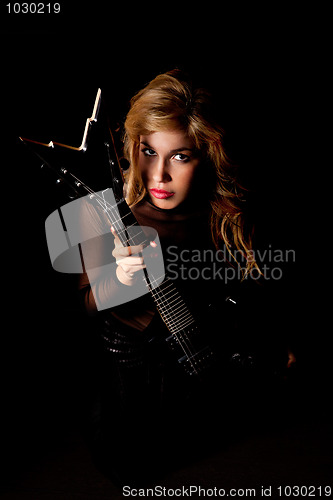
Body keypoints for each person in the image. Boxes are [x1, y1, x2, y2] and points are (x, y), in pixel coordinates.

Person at [77, 69, 290, 486]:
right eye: (148, 151)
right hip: (135, 394)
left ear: (205, 155)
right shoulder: (104, 210)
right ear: (130, 146)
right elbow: (82, 304)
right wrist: (119, 278)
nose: (159, 176)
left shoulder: (224, 214)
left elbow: (253, 288)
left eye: (180, 156)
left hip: (210, 384)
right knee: (132, 470)